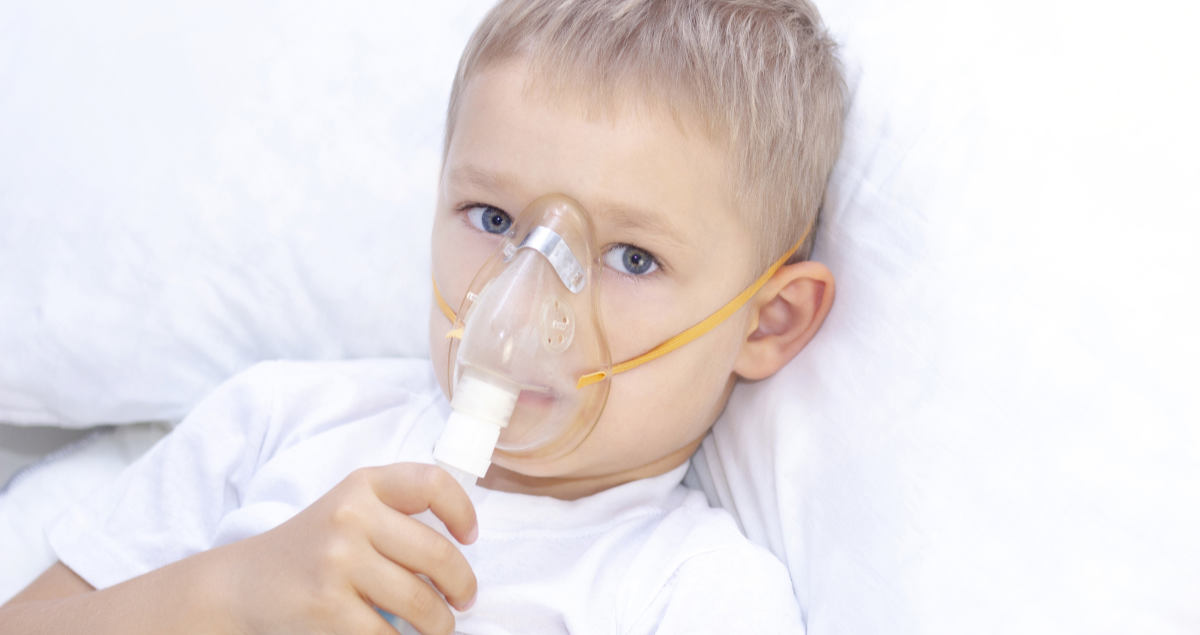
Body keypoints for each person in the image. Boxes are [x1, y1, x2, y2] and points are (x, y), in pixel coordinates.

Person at [0, 0, 844, 632]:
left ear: (766, 321)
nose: (525, 298)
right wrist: (226, 592)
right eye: (493, 220)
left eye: (631, 258)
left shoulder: (694, 592)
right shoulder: (277, 423)